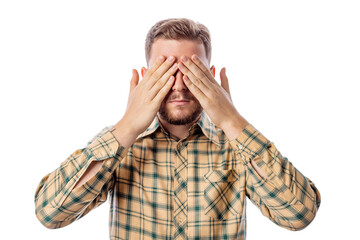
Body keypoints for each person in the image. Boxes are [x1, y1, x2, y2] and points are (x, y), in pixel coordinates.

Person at [34, 18, 321, 240]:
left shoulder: (237, 145)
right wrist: (127, 127)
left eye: (192, 72)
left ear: (211, 77)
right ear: (146, 77)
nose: (180, 86)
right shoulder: (120, 143)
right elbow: (50, 214)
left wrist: (232, 121)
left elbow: (299, 215)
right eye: (167, 72)